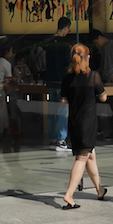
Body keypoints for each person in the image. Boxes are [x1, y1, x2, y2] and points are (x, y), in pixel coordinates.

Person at [60, 43, 108, 210]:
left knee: (90, 155)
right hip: (88, 122)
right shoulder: (93, 76)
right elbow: (103, 97)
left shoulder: (67, 78)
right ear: (87, 58)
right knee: (82, 158)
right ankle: (69, 194)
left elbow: (63, 100)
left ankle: (99, 189)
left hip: (74, 121)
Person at [89, 28, 113, 141]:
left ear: (100, 37)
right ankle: (105, 131)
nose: (96, 45)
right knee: (105, 106)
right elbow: (103, 65)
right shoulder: (103, 48)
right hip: (105, 79)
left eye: (96, 42)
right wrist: (95, 74)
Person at [44, 16, 72, 152]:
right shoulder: (64, 44)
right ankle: (61, 140)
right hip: (61, 81)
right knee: (62, 112)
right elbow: (67, 62)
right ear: (65, 28)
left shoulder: (49, 43)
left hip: (50, 80)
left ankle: (52, 137)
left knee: (52, 111)